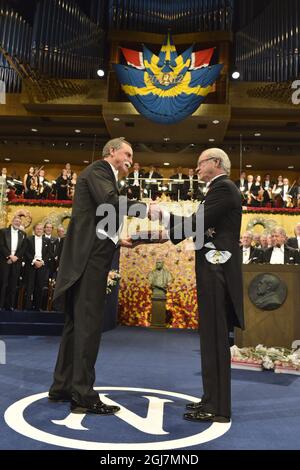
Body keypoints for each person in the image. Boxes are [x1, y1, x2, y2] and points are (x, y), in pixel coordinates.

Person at [48, 137, 148, 415]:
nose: (130, 157)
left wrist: (118, 240)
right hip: (89, 263)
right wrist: (145, 208)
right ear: (112, 152)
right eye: (127, 152)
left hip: (84, 260)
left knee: (75, 326)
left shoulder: (102, 176)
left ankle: (62, 386)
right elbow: (109, 202)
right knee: (88, 327)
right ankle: (83, 395)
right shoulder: (100, 171)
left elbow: (99, 220)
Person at [149, 148, 244, 423]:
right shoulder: (218, 190)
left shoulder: (224, 189)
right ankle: (211, 399)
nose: (197, 168)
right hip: (212, 271)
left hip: (218, 273)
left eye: (200, 163)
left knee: (215, 341)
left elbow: (195, 224)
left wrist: (162, 216)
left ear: (216, 163)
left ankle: (218, 408)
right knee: (210, 340)